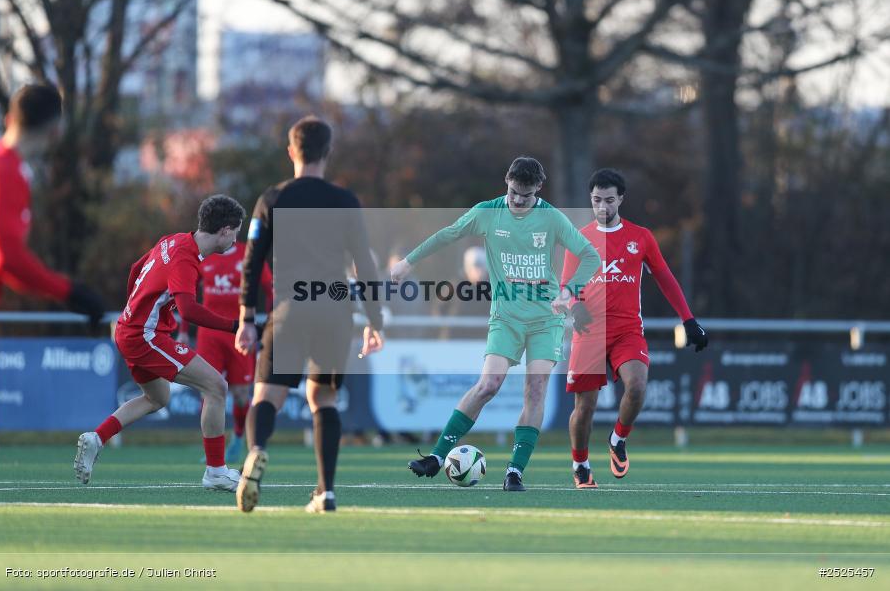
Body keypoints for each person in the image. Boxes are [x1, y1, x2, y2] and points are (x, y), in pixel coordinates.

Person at [394, 156, 601, 491]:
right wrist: (408, 261)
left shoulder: (551, 219)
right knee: (488, 384)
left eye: (526, 195)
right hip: (506, 317)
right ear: (506, 181)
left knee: (535, 390)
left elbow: (591, 255)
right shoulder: (488, 212)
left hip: (546, 319)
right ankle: (436, 457)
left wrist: (569, 292)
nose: (518, 200)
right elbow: (449, 234)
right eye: (514, 192)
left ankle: (515, 472)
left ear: (538, 189)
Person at [234, 116, 384, 513]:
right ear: (327, 153)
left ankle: (257, 451)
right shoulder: (345, 202)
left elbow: (251, 263)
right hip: (335, 312)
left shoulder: (271, 199)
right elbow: (364, 266)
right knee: (324, 398)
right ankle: (326, 491)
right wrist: (375, 320)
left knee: (266, 396)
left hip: (289, 309)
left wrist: (247, 318)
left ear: (291, 152)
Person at [73, 195, 248, 491]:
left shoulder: (174, 240)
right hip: (144, 335)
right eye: (236, 232)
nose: (235, 240)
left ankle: (97, 438)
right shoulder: (185, 259)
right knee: (216, 386)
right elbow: (190, 310)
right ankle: (216, 472)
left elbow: (135, 269)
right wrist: (236, 325)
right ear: (225, 231)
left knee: (157, 399)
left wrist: (134, 309)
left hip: (130, 330)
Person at [561, 168, 708, 488]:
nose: (602, 207)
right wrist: (575, 309)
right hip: (589, 332)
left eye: (609, 200)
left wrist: (689, 319)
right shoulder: (579, 239)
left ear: (621, 200)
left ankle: (617, 439)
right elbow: (565, 288)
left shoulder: (640, 237)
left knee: (638, 387)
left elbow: (666, 279)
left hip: (627, 329)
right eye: (597, 200)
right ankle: (580, 463)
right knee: (584, 408)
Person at [0, 84, 106, 458]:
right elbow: (5, 258)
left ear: (10, 117)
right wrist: (69, 291)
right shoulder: (4, 170)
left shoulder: (5, 167)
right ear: (56, 129)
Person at [177, 240, 273, 463]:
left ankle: (238, 439)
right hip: (209, 335)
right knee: (208, 388)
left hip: (240, 334)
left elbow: (270, 290)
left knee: (241, 395)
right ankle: (212, 449)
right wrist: (183, 331)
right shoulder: (205, 255)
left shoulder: (248, 253)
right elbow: (186, 294)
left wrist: (269, 325)